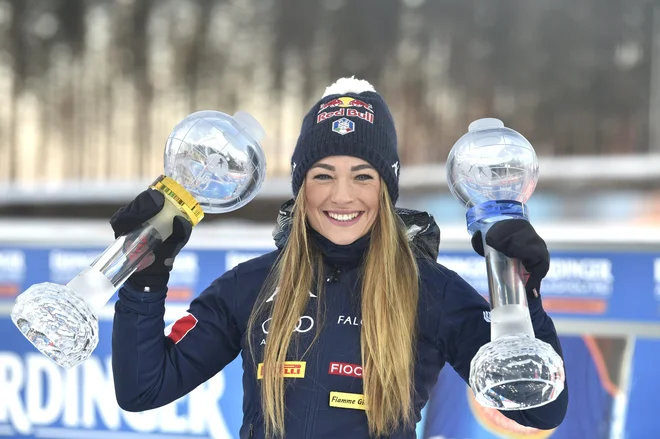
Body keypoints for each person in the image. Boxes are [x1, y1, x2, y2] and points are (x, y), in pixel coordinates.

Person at [110, 77, 568, 439]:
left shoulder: (431, 291)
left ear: (386, 191)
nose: (342, 195)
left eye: (363, 176)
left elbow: (540, 408)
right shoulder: (250, 287)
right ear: (301, 188)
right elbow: (143, 388)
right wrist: (145, 278)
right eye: (323, 174)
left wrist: (524, 299)